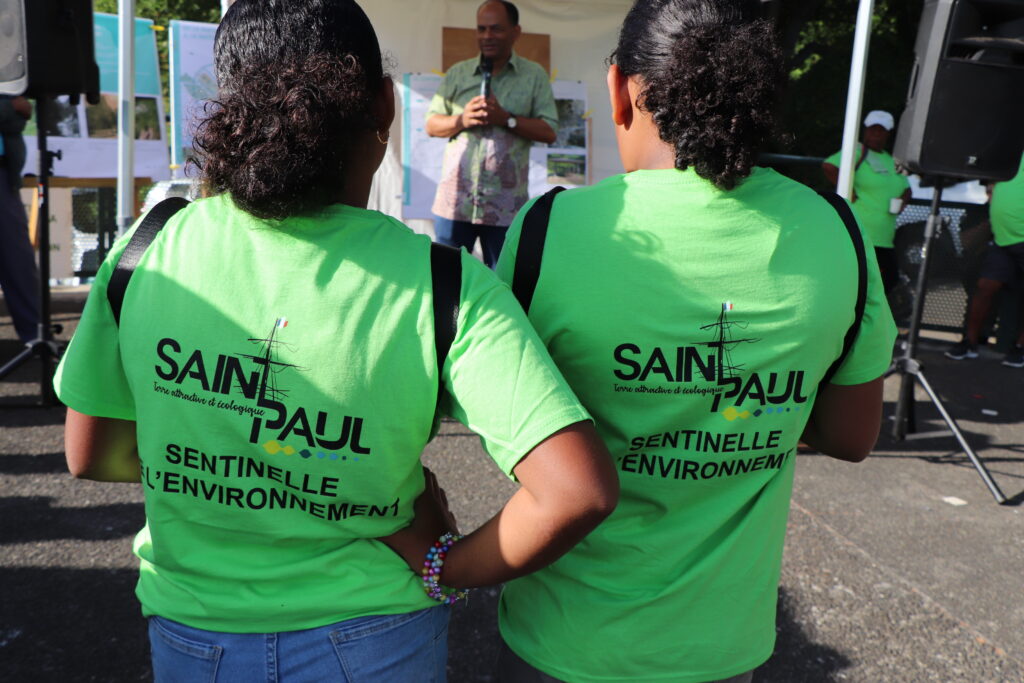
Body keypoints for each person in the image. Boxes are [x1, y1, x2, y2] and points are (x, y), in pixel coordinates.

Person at [54, 1, 617, 681]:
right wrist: (443, 563)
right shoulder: (442, 283)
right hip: (376, 638)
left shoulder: (151, 248)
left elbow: (88, 453)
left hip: (194, 633)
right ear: (383, 105)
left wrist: (245, 474)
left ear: (228, 109)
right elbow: (573, 492)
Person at [494, 1, 896, 681]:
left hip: (562, 638)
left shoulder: (548, 231)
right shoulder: (839, 234)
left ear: (624, 90)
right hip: (718, 647)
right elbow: (852, 436)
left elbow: (508, 431)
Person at [426, 0, 557, 268]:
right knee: (447, 281)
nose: (487, 36)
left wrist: (506, 119)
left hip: (505, 209)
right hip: (455, 204)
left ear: (516, 32)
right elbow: (431, 124)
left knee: (503, 285)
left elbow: (550, 131)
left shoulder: (534, 76)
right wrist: (462, 119)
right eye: (481, 29)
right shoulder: (458, 73)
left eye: (496, 29)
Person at [945, 155, 1024, 367]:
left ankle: (1020, 348)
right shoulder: (1013, 151)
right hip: (1002, 238)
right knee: (985, 287)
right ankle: (969, 342)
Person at [823, 110, 912, 296]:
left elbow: (906, 186)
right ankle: (853, 318)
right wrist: (849, 190)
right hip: (861, 230)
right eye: (872, 129)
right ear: (865, 130)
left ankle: (860, 317)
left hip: (884, 237)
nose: (875, 134)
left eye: (881, 130)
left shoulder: (891, 160)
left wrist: (903, 199)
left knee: (886, 280)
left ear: (888, 133)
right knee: (859, 280)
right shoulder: (856, 151)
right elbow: (829, 166)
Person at [0, 95, 41, 345]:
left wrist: (11, 108)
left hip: (4, 173)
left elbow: (21, 116)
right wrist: (9, 107)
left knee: (17, 259)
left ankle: (34, 337)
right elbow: (17, 110)